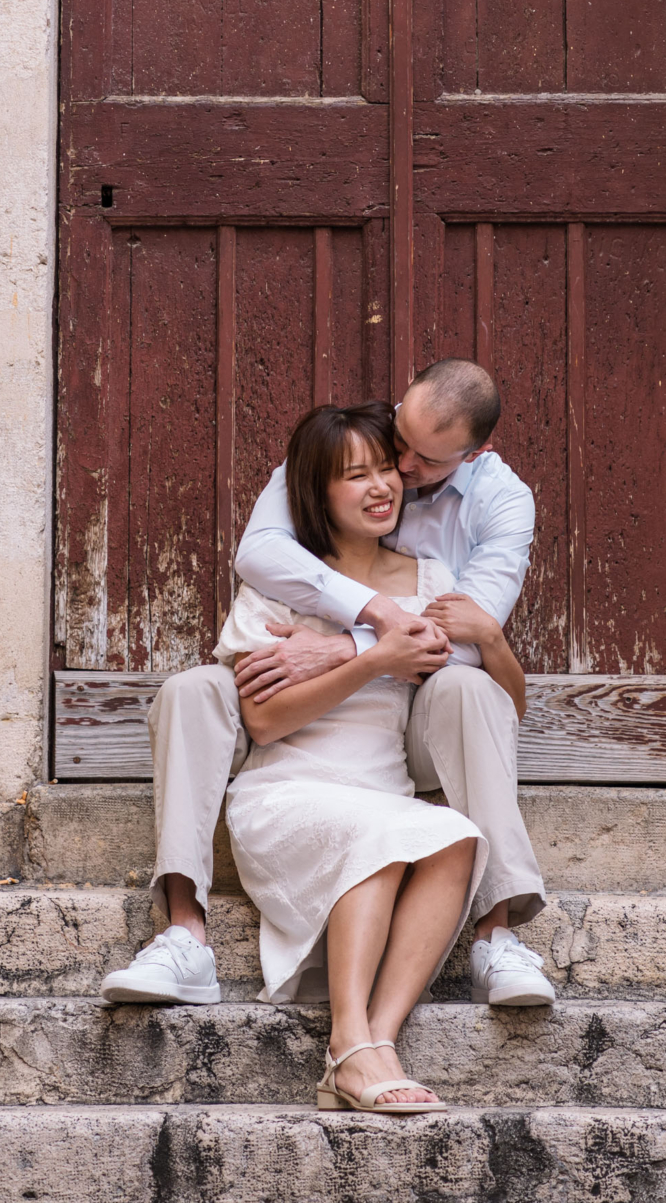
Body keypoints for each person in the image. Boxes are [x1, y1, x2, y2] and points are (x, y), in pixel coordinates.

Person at [101, 359, 550, 1013]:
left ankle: (497, 933)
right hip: (288, 743)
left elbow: (457, 645)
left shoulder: (493, 509)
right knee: (194, 689)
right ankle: (183, 932)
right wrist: (376, 618)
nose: (397, 470)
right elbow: (258, 557)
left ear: (476, 454)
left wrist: (345, 649)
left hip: (412, 722)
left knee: (468, 692)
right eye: (393, 444)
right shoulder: (342, 450)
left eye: (420, 461)